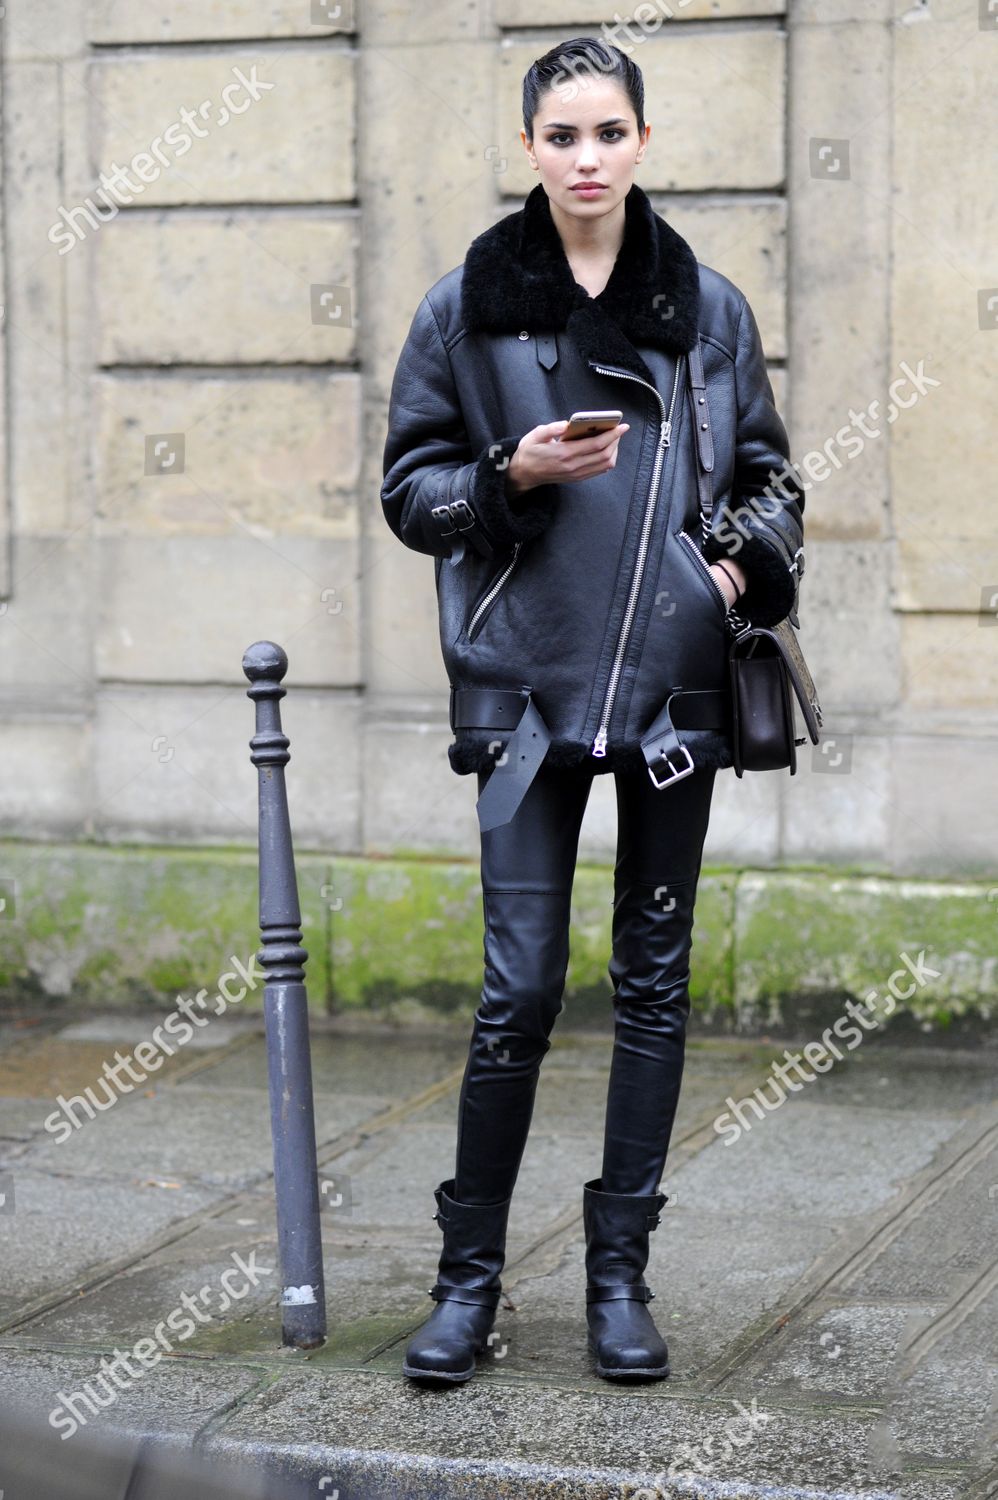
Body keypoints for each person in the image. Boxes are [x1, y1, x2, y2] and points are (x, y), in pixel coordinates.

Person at [380, 36, 805, 1385]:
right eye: (560, 135)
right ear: (527, 148)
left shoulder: (706, 308)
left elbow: (771, 479)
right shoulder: (468, 304)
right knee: (517, 988)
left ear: (639, 142)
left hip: (668, 688)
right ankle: (468, 1283)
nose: (584, 158)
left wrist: (727, 562)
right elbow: (407, 490)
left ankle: (620, 1278)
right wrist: (505, 473)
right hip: (526, 688)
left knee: (654, 985)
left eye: (606, 132)